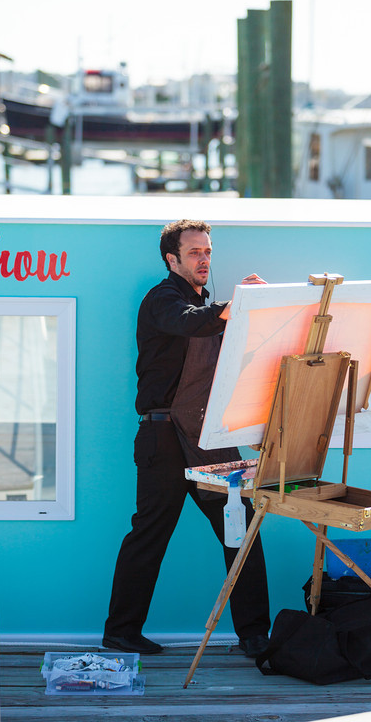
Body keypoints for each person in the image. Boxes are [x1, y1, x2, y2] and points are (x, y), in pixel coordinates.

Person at [103, 219, 270, 658]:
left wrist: (253, 307)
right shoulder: (162, 300)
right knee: (150, 535)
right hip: (162, 437)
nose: (204, 260)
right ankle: (120, 632)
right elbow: (188, 322)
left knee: (242, 532)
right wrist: (232, 307)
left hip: (210, 440)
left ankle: (255, 637)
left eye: (208, 252)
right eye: (195, 252)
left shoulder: (212, 309)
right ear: (172, 259)